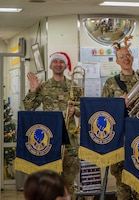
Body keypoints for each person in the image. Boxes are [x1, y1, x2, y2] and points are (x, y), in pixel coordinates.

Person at [23, 52, 81, 196]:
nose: (58, 64)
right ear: (50, 65)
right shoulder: (43, 86)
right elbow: (29, 107)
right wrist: (33, 90)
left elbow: (84, 111)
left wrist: (75, 110)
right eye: (54, 61)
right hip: (50, 140)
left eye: (61, 62)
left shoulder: (74, 86)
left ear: (65, 65)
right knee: (50, 183)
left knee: (69, 181)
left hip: (70, 140)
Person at [101, 38, 139, 200]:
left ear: (132, 58)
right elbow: (104, 112)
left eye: (128, 55)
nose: (126, 59)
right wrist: (118, 105)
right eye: (122, 57)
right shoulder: (110, 83)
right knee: (122, 186)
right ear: (117, 61)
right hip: (120, 138)